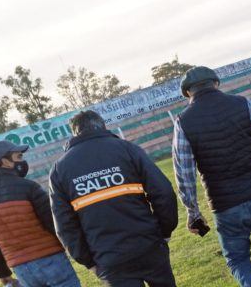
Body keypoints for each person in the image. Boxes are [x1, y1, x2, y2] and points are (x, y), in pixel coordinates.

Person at [172, 66, 251, 287]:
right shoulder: (242, 103)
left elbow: (185, 175)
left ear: (188, 92)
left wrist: (193, 212)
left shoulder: (183, 121)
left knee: (238, 261)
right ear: (216, 83)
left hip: (225, 205)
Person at [49, 110, 178, 287]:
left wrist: (88, 261)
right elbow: (163, 192)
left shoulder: (59, 169)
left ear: (75, 133)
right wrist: (164, 232)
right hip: (148, 244)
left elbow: (65, 226)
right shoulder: (127, 149)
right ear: (103, 126)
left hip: (108, 258)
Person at [0, 140, 81, 287]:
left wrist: (2, 273)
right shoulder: (29, 187)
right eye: (18, 157)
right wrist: (79, 250)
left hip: (21, 270)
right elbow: (54, 222)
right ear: (5, 161)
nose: (23, 162)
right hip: (51, 260)